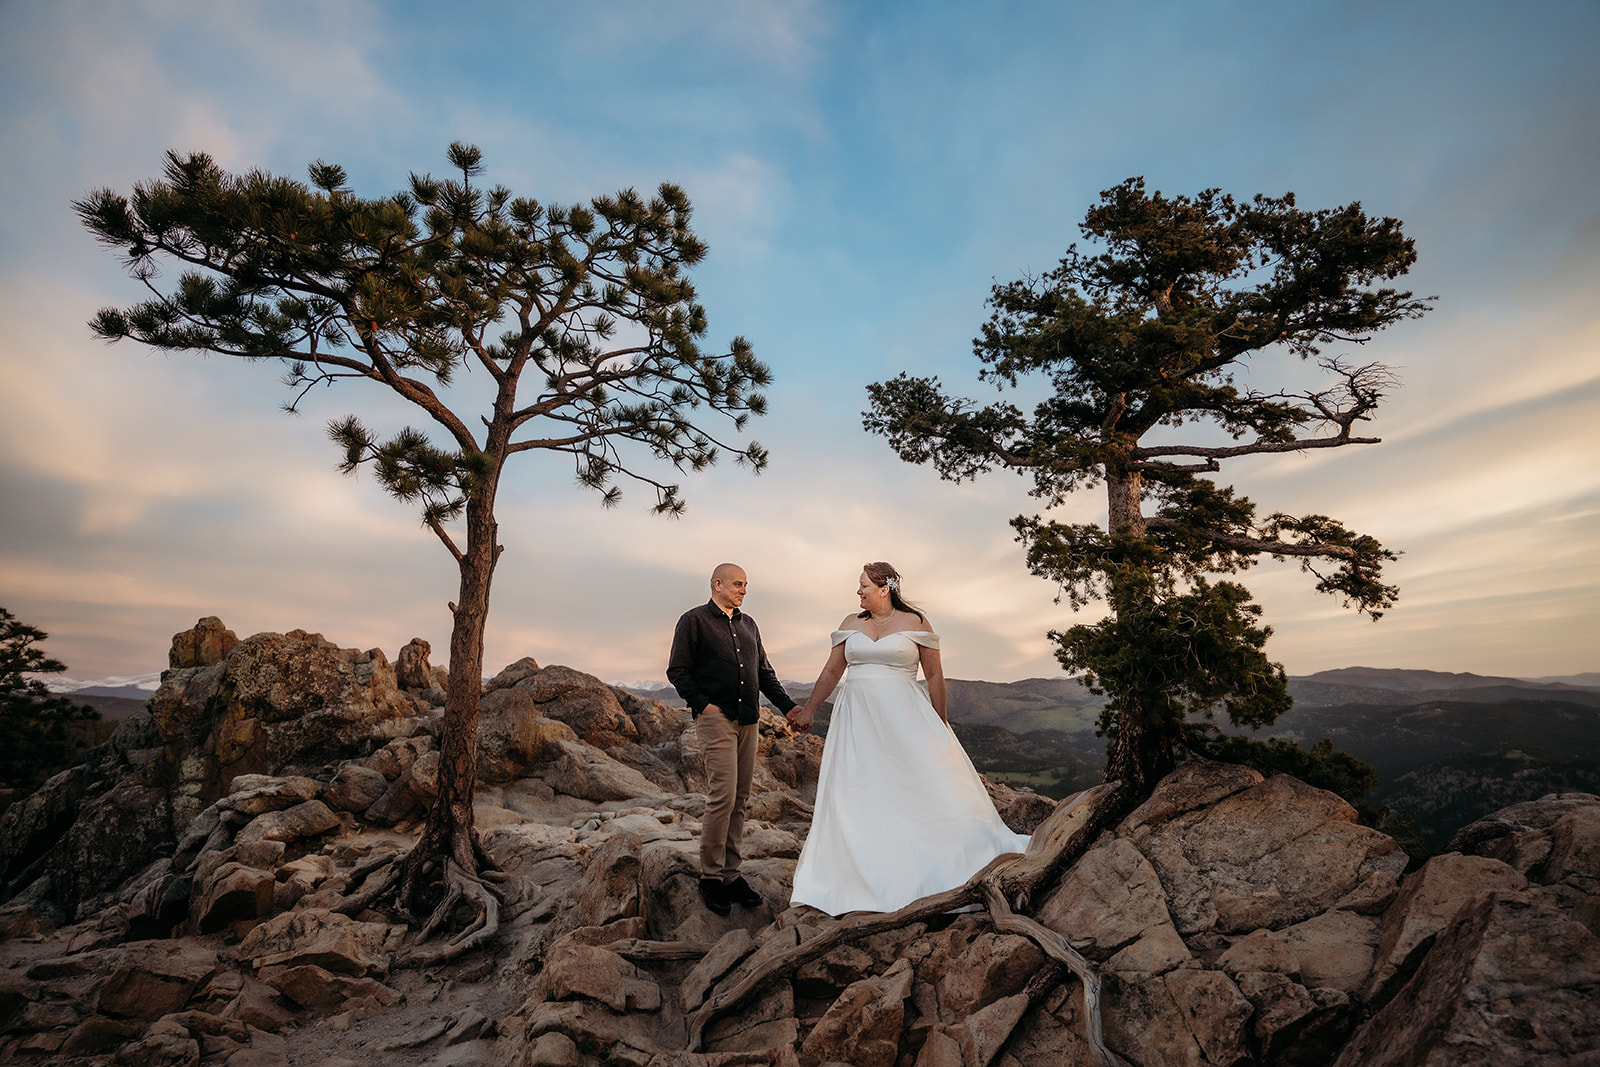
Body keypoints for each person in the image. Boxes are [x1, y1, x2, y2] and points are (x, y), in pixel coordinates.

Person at [785, 562, 1029, 915]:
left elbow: (933, 675)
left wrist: (939, 724)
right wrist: (808, 709)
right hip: (857, 720)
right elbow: (831, 670)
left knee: (918, 785)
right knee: (859, 788)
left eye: (863, 585)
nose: (858, 591)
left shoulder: (915, 623)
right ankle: (859, 869)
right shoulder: (849, 624)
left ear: (884, 588)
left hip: (905, 719)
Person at [668, 563, 800, 916]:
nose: (744, 590)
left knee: (740, 799)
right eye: (738, 584)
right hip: (717, 720)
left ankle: (731, 874)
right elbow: (677, 670)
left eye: (746, 585)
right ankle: (710, 876)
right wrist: (703, 706)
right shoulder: (694, 620)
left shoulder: (749, 624)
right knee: (721, 797)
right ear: (717, 584)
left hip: (749, 721)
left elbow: (764, 674)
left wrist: (789, 708)